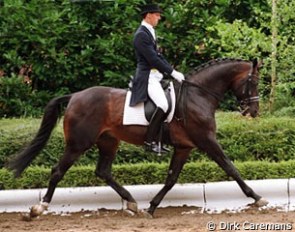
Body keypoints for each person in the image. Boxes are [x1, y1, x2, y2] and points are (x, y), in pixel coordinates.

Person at [129, 3, 185, 153]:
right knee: (163, 104)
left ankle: (160, 141)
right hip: (147, 76)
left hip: (155, 75)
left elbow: (159, 56)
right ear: (148, 15)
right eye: (157, 15)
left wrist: (172, 70)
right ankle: (149, 141)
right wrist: (172, 73)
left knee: (170, 101)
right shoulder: (141, 34)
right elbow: (153, 59)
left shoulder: (149, 32)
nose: (159, 18)